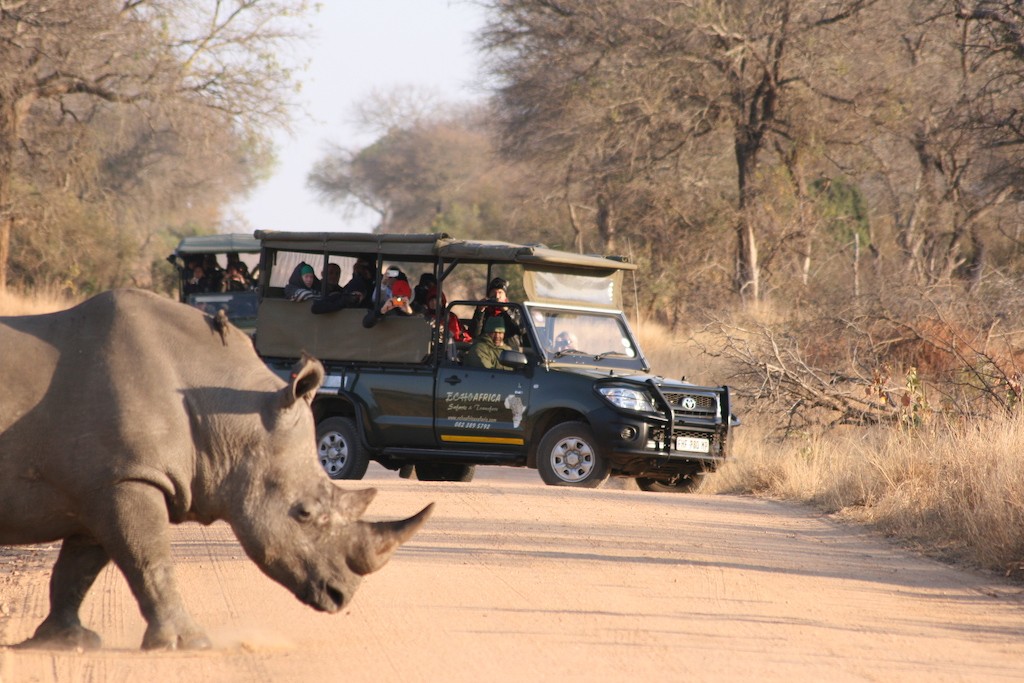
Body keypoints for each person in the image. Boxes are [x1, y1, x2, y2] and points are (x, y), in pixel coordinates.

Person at [470, 277, 523, 350]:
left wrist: (506, 311)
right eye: (493, 293)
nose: (497, 296)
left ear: (505, 295)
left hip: (509, 351)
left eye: (500, 292)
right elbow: (474, 334)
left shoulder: (514, 309)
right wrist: (480, 311)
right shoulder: (485, 310)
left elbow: (519, 330)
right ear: (489, 295)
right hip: (486, 349)